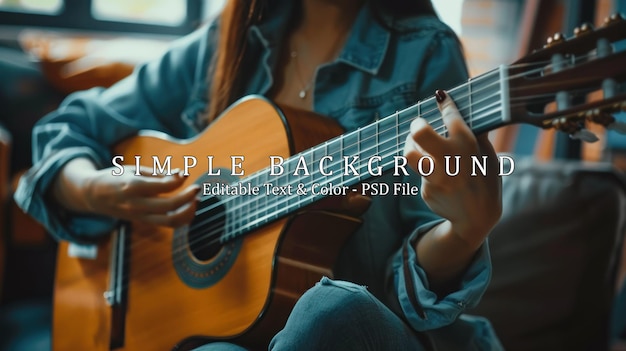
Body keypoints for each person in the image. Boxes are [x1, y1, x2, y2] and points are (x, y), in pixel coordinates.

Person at [14, 0, 504, 350]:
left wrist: (464, 232)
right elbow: (69, 127)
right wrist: (99, 191)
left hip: (362, 333)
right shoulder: (227, 44)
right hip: (230, 335)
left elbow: (408, 304)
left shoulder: (425, 52)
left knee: (330, 310)